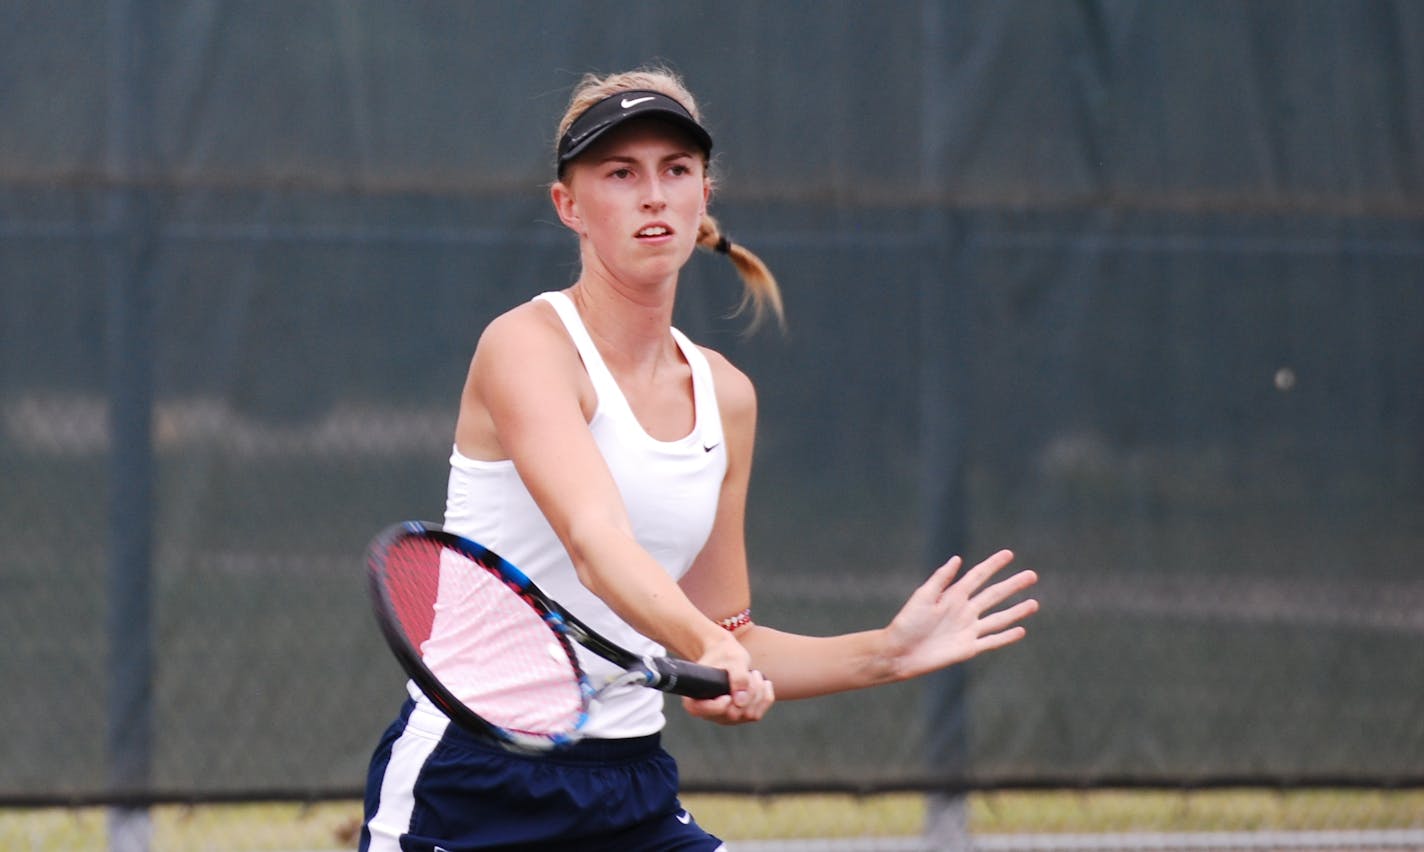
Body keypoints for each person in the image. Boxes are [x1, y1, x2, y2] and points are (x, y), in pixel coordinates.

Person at [360, 66, 1039, 852]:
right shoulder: (527, 348)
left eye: (675, 170)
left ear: (702, 196)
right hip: (472, 783)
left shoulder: (728, 397)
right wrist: (704, 646)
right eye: (620, 174)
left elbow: (729, 634)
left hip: (632, 790)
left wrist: (884, 652)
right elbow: (595, 541)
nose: (654, 195)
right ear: (568, 206)